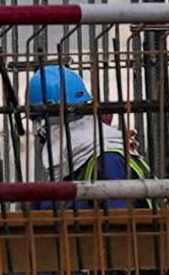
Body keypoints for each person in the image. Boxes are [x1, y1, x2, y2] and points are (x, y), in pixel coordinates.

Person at [18, 64, 147, 195]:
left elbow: (119, 212)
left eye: (37, 119)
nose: (37, 129)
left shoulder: (108, 160)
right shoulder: (80, 156)